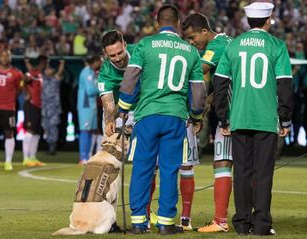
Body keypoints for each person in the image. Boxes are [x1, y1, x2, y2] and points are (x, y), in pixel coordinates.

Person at [118, 4, 205, 235]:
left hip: (147, 116)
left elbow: (131, 79)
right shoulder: (190, 51)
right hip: (175, 118)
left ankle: (139, 222)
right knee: (169, 170)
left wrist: (124, 107)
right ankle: (166, 222)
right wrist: (196, 116)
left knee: (142, 169)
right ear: (178, 24)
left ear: (157, 23)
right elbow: (198, 92)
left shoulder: (145, 45)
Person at [213, 2, 293, 236]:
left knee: (242, 173)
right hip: (266, 119)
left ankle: (241, 223)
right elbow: (285, 84)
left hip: (239, 118)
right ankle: (261, 225)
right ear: (268, 20)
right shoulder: (276, 45)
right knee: (263, 173)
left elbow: (219, 84)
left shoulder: (234, 45)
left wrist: (223, 118)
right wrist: (285, 118)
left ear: (249, 21)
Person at [182, 13, 233, 232]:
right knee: (234, 163)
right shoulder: (226, 43)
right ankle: (242, 219)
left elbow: (197, 70)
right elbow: (215, 84)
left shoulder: (218, 45)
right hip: (233, 109)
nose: (192, 43)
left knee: (223, 161)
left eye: (193, 38)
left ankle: (221, 221)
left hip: (232, 112)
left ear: (205, 31)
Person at [98, 30, 136, 136]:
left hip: (144, 110)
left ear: (125, 45)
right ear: (105, 53)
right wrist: (110, 120)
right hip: (119, 113)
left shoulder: (139, 53)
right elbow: (108, 105)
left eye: (120, 53)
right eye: (112, 56)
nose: (118, 58)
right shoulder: (105, 74)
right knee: (112, 151)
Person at [22, 55, 48, 166]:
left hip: (38, 106)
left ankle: (32, 157)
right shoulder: (32, 73)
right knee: (30, 131)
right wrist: (26, 93)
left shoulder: (40, 75)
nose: (47, 65)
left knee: (37, 133)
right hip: (31, 105)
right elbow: (23, 78)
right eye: (46, 62)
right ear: (42, 63)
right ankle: (25, 158)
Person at [77, 55, 102, 165]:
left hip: (92, 106)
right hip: (85, 106)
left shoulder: (92, 72)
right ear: (95, 61)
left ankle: (89, 156)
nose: (100, 64)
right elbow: (90, 90)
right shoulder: (86, 72)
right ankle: (83, 158)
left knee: (92, 131)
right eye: (99, 62)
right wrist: (103, 87)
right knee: (85, 130)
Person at [41, 59, 64, 155]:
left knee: (53, 127)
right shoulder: (42, 79)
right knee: (45, 127)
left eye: (50, 69)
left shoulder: (55, 78)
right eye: (46, 69)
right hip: (45, 108)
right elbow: (40, 70)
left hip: (54, 108)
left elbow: (60, 72)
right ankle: (48, 145)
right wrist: (46, 63)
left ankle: (53, 147)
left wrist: (62, 63)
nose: (47, 70)